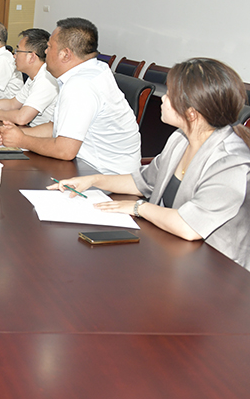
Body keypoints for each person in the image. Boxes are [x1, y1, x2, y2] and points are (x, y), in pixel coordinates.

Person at [51, 58, 250, 270]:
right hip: (173, 251)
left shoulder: (230, 162)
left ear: (191, 113)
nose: (163, 98)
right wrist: (93, 180)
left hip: (218, 269)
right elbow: (142, 182)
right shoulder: (180, 139)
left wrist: (139, 207)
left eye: (170, 95)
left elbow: (190, 226)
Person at [0, 17, 140, 175]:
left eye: (49, 47)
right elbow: (54, 127)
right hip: (88, 168)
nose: (45, 52)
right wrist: (14, 133)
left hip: (106, 177)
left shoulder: (81, 85)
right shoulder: (94, 70)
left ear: (65, 54)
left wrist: (22, 140)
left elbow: (65, 150)